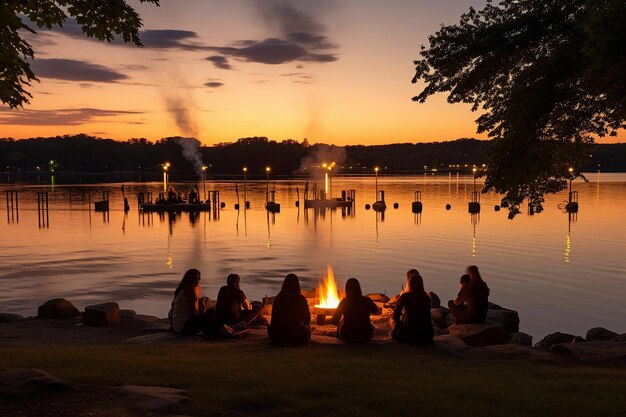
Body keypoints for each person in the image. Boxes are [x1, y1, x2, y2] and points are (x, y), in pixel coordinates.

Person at [268, 274, 311, 346]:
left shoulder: (278, 298)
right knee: (308, 329)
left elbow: (273, 319)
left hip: (277, 338)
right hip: (296, 338)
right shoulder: (300, 299)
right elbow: (307, 320)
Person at [331, 278, 378, 343]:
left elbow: (334, 320)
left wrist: (342, 321)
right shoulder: (366, 300)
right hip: (366, 335)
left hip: (348, 335)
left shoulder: (344, 302)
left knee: (339, 327)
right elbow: (376, 310)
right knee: (371, 326)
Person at [391, 273, 434, 345]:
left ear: (409, 284)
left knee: (395, 327)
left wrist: (401, 321)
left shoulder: (405, 296)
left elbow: (395, 316)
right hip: (427, 336)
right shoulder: (426, 297)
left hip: (409, 335)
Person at [169, 268, 212, 335]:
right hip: (184, 327)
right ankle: (208, 333)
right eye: (195, 279)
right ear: (190, 279)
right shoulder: (190, 291)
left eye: (198, 279)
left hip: (177, 327)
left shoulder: (181, 289)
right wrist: (202, 305)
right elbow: (195, 313)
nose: (197, 281)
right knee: (210, 313)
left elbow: (173, 306)